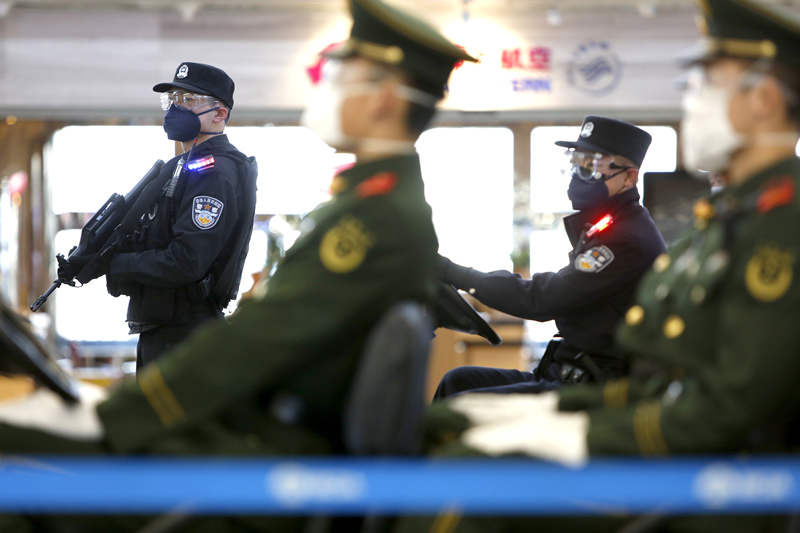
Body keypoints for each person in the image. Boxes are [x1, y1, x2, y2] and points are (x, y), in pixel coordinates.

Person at [0, 0, 475, 530]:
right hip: (267, 423)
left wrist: (118, 416)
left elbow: (260, 337)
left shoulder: (376, 217)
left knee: (33, 473)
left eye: (338, 76)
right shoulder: (372, 202)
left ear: (384, 98)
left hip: (281, 448)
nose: (323, 89)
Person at [399, 0, 800, 531]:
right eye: (578, 162)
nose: (691, 100)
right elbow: (663, 376)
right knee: (457, 402)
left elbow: (730, 407)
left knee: (465, 468)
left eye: (705, 83)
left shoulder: (773, 231)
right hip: (630, 407)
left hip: (707, 482)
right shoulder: (724, 223)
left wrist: (578, 429)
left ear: (765, 99)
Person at [435, 116, 666, 398]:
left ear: (629, 177)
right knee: (458, 381)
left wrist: (453, 273)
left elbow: (542, 300)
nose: (578, 174)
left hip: (592, 391)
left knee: (463, 401)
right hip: (564, 375)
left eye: (591, 165)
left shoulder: (627, 238)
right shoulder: (610, 227)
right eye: (576, 162)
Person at [64, 62, 258, 372]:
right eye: (173, 99)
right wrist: (97, 254)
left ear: (219, 113)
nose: (176, 108)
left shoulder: (212, 173)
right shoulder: (183, 166)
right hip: (166, 329)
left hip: (186, 332)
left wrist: (113, 263)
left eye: (188, 100)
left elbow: (187, 260)